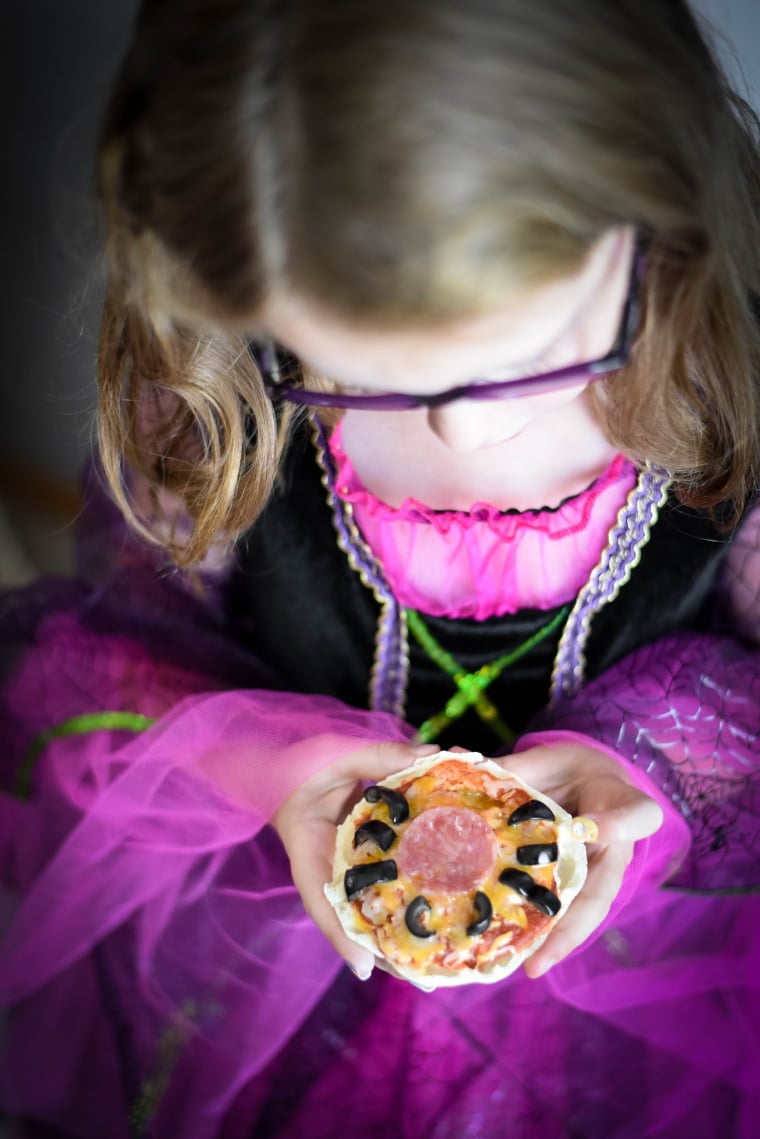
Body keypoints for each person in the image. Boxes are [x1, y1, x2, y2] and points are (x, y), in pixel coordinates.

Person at [2, 0, 760, 1136]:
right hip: (280, 967)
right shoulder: (211, 410)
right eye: (353, 376)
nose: (463, 437)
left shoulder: (738, 388)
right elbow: (108, 666)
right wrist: (264, 761)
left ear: (657, 214)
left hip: (657, 969)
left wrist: (645, 763)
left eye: (533, 360)